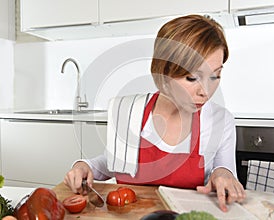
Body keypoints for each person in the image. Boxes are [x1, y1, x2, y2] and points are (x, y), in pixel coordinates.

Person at [64, 14, 246, 212]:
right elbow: (112, 162)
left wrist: (223, 174)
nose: (206, 91)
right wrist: (84, 166)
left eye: (215, 76)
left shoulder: (221, 120)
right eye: (192, 78)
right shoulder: (129, 110)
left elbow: (225, 174)